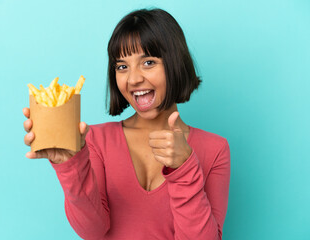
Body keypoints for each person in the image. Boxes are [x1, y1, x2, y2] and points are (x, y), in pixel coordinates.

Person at [23, 8, 230, 240]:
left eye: (148, 62)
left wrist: (184, 169)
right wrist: (71, 167)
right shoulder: (95, 139)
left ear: (175, 63)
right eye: (122, 66)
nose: (133, 79)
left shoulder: (215, 149)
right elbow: (92, 231)